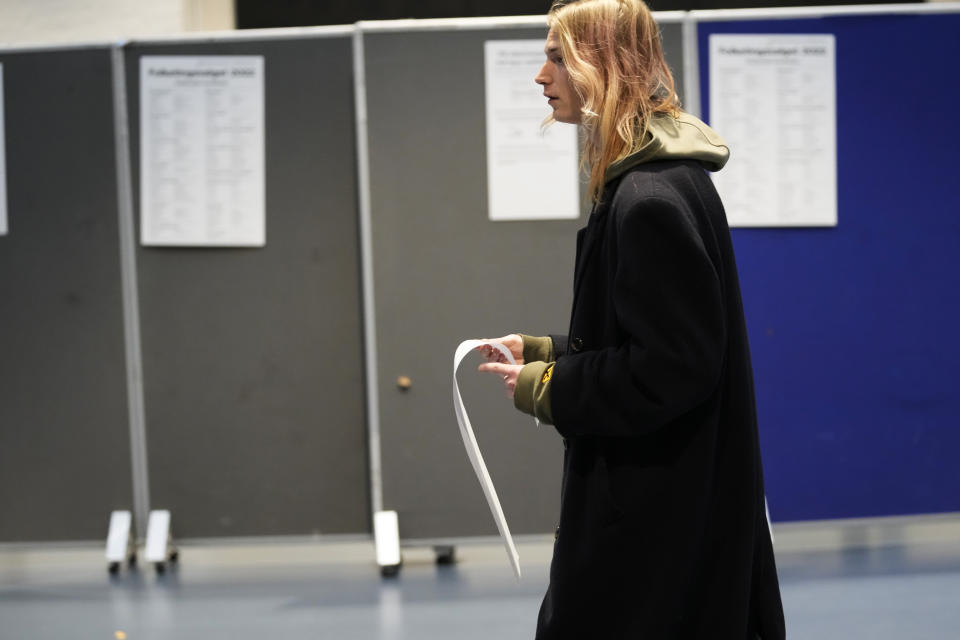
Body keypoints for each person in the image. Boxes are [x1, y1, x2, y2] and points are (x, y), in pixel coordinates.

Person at [476, 0, 786, 638]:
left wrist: (549, 388)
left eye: (557, 57)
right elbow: (652, 336)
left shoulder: (647, 201)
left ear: (603, 65)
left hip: (655, 526)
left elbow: (669, 370)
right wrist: (546, 352)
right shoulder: (665, 182)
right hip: (674, 508)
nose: (541, 76)